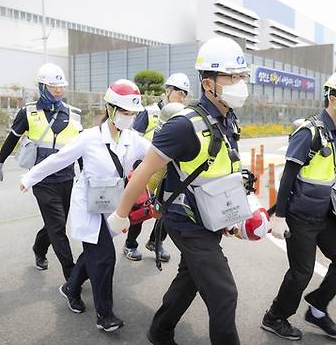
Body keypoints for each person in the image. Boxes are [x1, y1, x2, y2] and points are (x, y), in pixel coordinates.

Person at [107, 36, 251, 345]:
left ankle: (160, 331)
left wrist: (237, 216)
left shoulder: (227, 120)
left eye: (242, 76)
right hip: (186, 222)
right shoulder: (184, 125)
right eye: (231, 76)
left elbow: (221, 172)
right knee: (224, 294)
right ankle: (161, 331)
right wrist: (121, 214)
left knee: (190, 280)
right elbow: (144, 170)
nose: (239, 83)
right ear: (207, 81)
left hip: (209, 217)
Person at [19, 79, 150, 332]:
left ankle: (70, 287)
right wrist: (30, 177)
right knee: (104, 257)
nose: (129, 117)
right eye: (124, 112)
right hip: (88, 205)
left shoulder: (133, 140)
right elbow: (59, 159)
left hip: (112, 205)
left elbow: (157, 155)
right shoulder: (89, 138)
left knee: (93, 254)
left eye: (133, 113)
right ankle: (105, 315)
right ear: (110, 108)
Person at [261, 69, 336, 341]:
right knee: (301, 272)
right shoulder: (308, 131)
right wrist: (279, 215)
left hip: (325, 213)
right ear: (333, 98)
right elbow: (288, 176)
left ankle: (317, 309)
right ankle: (275, 317)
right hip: (299, 216)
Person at [0, 62, 81, 280]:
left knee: (55, 224)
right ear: (42, 87)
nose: (59, 90)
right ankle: (72, 278)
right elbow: (12, 138)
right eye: (53, 86)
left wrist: (86, 174)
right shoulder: (28, 113)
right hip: (41, 180)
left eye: (61, 86)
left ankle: (39, 248)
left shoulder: (74, 114)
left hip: (67, 178)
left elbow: (82, 148)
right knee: (58, 227)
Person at [123, 72, 191, 262]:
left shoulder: (183, 116)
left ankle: (156, 242)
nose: (183, 97)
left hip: (169, 172)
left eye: (186, 93)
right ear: (168, 91)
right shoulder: (149, 112)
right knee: (140, 207)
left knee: (165, 210)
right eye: (180, 92)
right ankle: (130, 244)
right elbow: (133, 138)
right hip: (147, 168)